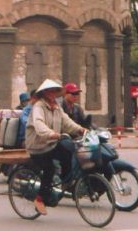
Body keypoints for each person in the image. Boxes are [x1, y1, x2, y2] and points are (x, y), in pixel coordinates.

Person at [25, 79, 87, 216]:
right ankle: (40, 199)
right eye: (51, 91)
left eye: (55, 91)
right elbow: (39, 123)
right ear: (45, 92)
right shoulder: (39, 107)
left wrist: (81, 129)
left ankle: (66, 183)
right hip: (38, 145)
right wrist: (50, 134)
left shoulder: (57, 107)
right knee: (49, 169)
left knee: (69, 150)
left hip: (51, 143)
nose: (53, 93)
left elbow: (67, 122)